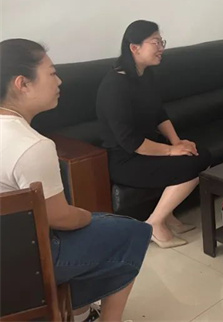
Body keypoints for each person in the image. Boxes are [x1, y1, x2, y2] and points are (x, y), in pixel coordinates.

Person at [0, 39, 151, 322]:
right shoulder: (31, 146)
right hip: (24, 264)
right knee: (133, 233)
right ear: (23, 84)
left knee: (103, 230)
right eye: (52, 73)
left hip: (10, 254)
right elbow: (61, 218)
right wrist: (86, 215)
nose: (59, 81)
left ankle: (80, 313)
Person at [96, 20, 212, 249]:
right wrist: (170, 151)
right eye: (155, 43)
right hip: (126, 158)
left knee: (200, 154)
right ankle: (154, 224)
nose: (161, 48)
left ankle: (167, 216)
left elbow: (159, 114)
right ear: (134, 47)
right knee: (191, 165)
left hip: (148, 148)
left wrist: (177, 142)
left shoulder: (144, 75)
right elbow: (130, 141)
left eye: (161, 42)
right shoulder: (114, 86)